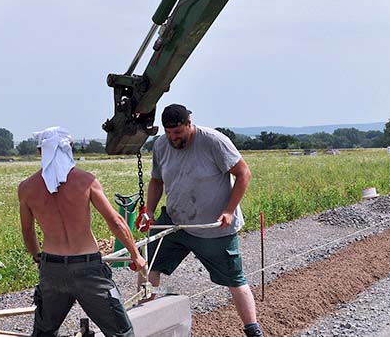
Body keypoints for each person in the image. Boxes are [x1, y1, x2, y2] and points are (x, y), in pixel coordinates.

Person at [139, 104, 264, 337]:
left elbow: (243, 173)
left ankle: (252, 329)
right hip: (175, 221)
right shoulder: (161, 145)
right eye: (169, 133)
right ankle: (145, 319)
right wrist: (149, 211)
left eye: (178, 133)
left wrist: (229, 211)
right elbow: (157, 181)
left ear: (189, 123)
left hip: (214, 227)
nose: (173, 138)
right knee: (147, 263)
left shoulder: (213, 141)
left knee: (235, 279)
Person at [18, 126, 146, 337]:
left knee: (44, 332)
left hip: (52, 269)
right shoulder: (86, 181)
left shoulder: (27, 188)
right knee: (120, 332)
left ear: (41, 152)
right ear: (70, 148)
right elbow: (116, 221)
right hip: (88, 269)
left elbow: (27, 231)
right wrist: (136, 255)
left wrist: (37, 257)